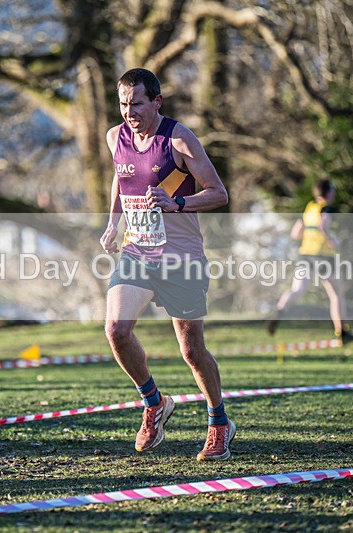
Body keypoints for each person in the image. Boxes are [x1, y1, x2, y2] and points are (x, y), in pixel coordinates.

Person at [99, 68, 235, 461]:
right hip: (137, 253)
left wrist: (178, 203)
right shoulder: (115, 137)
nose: (129, 112)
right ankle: (154, 403)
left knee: (192, 351)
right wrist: (113, 223)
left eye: (137, 104)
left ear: (156, 101)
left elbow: (218, 193)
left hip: (181, 258)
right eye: (124, 104)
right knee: (116, 330)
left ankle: (219, 423)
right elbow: (120, 177)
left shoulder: (178, 139)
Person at [266, 179, 353, 344]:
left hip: (305, 255)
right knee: (336, 294)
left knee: (297, 290)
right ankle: (342, 332)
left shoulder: (309, 209)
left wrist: (310, 233)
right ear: (329, 192)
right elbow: (324, 225)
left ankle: (279, 310)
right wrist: (332, 240)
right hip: (324, 256)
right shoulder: (327, 208)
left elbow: (295, 233)